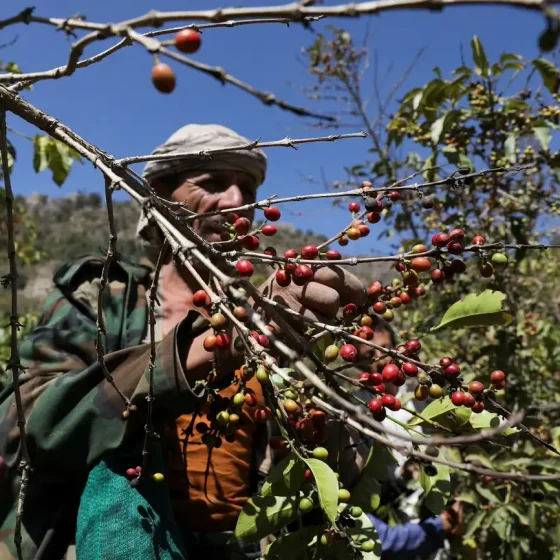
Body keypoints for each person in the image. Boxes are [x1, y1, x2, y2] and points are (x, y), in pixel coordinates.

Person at [0, 124, 459, 560]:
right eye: (213, 182)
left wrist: (322, 406)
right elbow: (18, 427)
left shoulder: (272, 316)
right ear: (158, 197)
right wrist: (207, 350)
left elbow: (332, 477)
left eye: (249, 190)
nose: (237, 201)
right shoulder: (105, 298)